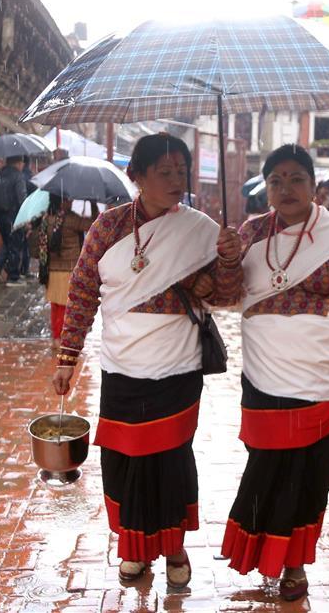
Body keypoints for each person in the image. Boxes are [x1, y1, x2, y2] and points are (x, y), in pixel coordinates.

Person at [51, 133, 242, 587]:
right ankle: (134, 550)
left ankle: (174, 548)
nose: (177, 180)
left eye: (182, 171)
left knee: (170, 461)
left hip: (177, 370)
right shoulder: (107, 228)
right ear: (137, 176)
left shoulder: (201, 230)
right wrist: (68, 355)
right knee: (125, 462)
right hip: (121, 369)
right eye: (165, 172)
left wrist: (229, 263)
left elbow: (231, 295)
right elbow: (82, 291)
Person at [221, 144, 329, 602]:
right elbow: (225, 295)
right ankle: (262, 550)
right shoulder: (249, 234)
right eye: (276, 181)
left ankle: (293, 563)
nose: (286, 189)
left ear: (314, 186)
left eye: (296, 179)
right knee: (267, 464)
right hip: (264, 372)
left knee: (308, 471)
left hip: (321, 377)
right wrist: (228, 259)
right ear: (265, 188)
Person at [35, 194, 95, 350]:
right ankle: (60, 339)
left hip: (51, 268)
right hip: (68, 269)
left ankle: (56, 337)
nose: (71, 201)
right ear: (62, 202)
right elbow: (94, 224)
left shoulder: (46, 219)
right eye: (68, 199)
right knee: (65, 306)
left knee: (56, 305)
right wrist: (93, 203)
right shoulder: (70, 219)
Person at [0, 155, 28, 286]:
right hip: (13, 214)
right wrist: (26, 214)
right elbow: (22, 198)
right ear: (19, 163)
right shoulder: (18, 176)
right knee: (15, 243)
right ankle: (13, 277)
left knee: (8, 243)